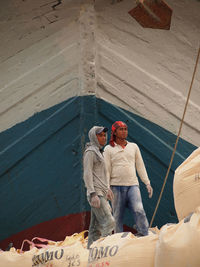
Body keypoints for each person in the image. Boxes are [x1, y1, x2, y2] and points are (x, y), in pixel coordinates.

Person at [103, 121, 153, 236]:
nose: (124, 131)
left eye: (125, 129)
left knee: (139, 209)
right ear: (114, 132)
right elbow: (106, 170)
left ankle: (144, 233)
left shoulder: (133, 147)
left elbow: (140, 166)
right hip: (116, 187)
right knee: (117, 216)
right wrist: (107, 187)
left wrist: (147, 183)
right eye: (121, 129)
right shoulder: (108, 149)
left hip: (132, 185)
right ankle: (117, 238)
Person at [83, 126, 115, 248]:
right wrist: (92, 193)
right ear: (93, 137)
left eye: (104, 135)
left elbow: (101, 174)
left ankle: (90, 252)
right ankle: (105, 250)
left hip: (101, 192)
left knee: (95, 228)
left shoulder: (99, 152)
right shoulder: (90, 152)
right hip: (96, 193)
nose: (104, 137)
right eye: (100, 135)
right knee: (109, 222)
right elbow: (87, 173)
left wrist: (107, 188)